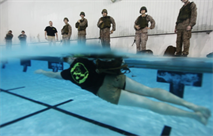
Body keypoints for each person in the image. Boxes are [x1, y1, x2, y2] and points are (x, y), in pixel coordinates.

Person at [35, 57, 211, 126]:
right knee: (150, 91)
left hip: (104, 91)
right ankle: (194, 106)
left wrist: (43, 72)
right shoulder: (83, 58)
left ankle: (195, 116)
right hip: (113, 78)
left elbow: (53, 75)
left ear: (66, 61)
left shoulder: (67, 73)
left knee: (148, 104)